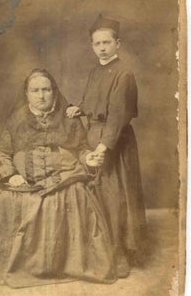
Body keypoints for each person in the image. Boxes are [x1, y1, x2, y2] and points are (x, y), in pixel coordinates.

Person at [0, 69, 119, 288]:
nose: (41, 95)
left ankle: (62, 265)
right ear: (27, 94)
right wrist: (12, 176)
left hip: (64, 177)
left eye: (46, 90)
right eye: (35, 90)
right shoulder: (17, 119)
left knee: (75, 196)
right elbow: (2, 154)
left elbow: (81, 149)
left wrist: (89, 158)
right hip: (25, 182)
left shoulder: (69, 118)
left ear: (54, 92)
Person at [67, 14, 147, 276]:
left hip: (115, 142)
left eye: (106, 42)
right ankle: (101, 249)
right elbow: (92, 104)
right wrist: (79, 109)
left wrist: (103, 148)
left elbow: (118, 116)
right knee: (97, 193)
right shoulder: (95, 72)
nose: (101, 47)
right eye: (97, 43)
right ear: (92, 46)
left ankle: (121, 252)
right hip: (93, 136)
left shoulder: (124, 74)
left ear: (117, 43)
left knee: (116, 196)